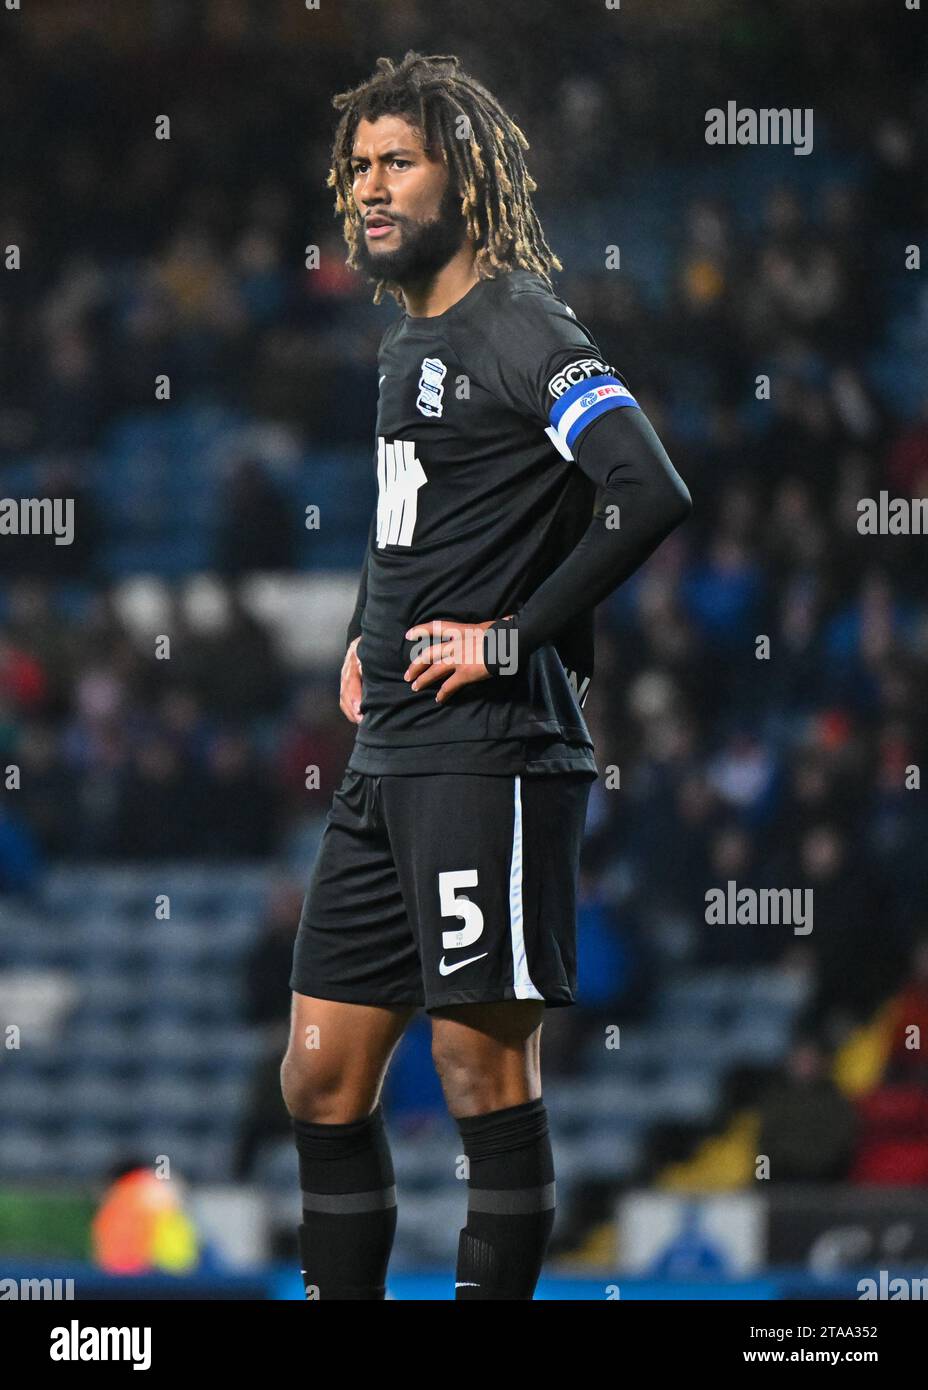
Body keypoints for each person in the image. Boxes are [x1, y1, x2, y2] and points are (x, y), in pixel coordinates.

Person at [280, 51, 691, 1301]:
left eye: (397, 162)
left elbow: (649, 488)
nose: (370, 189)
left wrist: (509, 637)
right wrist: (364, 629)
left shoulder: (520, 323)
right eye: (359, 168)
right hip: (391, 750)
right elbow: (406, 521)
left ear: (463, 176)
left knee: (476, 1073)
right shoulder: (409, 343)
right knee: (319, 1076)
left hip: (491, 749)